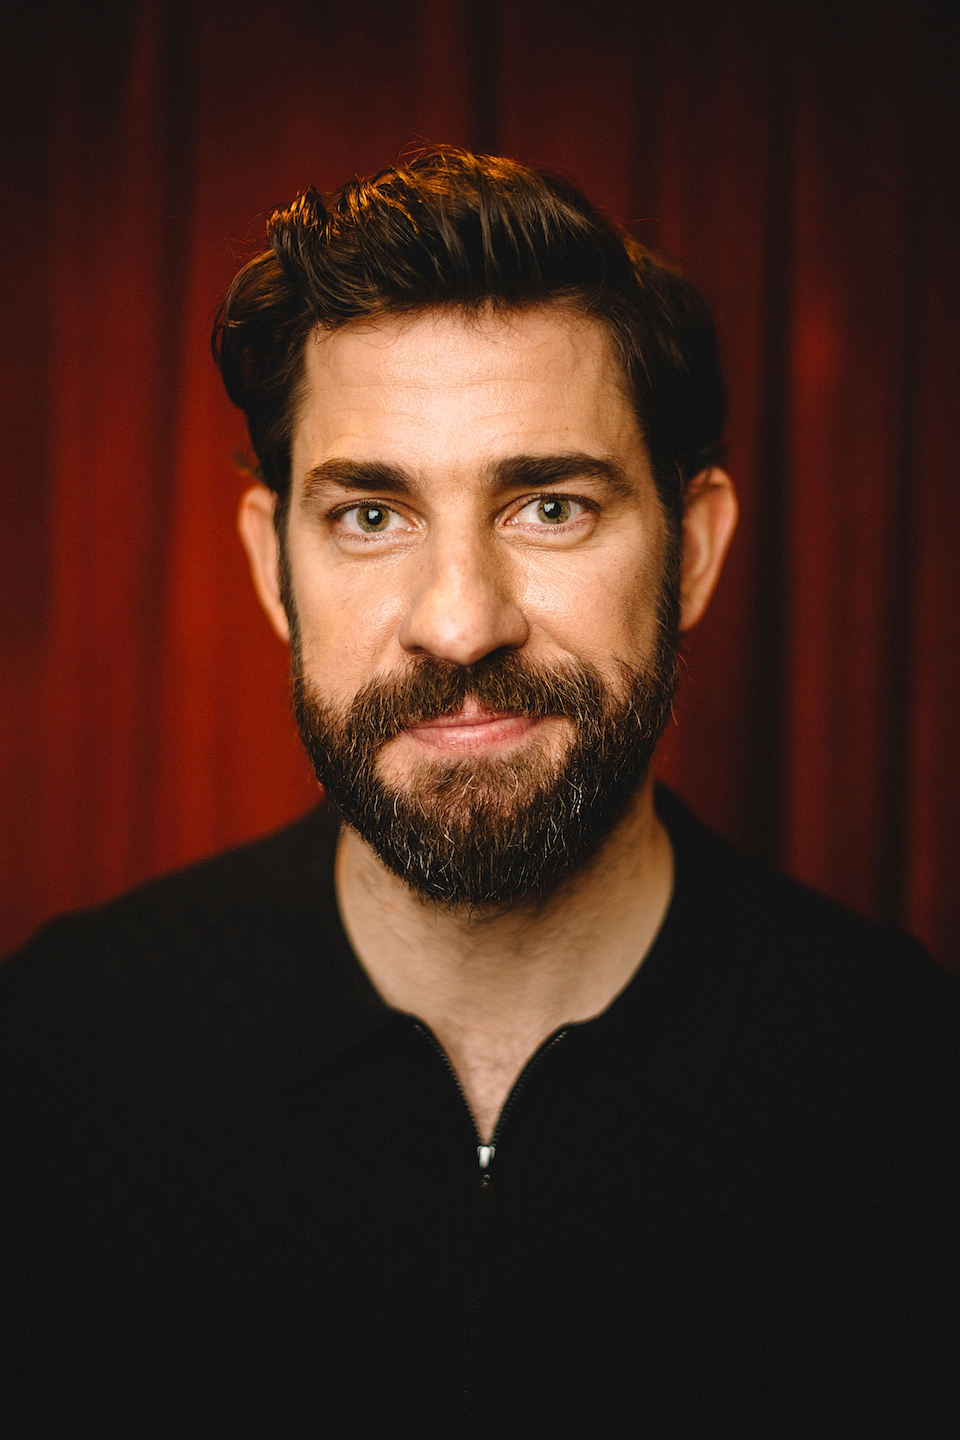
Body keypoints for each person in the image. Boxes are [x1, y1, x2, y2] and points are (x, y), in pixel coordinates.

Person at [1, 149, 957, 1438]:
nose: (459, 624)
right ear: (273, 569)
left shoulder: (909, 1090)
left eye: (549, 506)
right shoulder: (57, 1068)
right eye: (371, 517)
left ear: (695, 552)